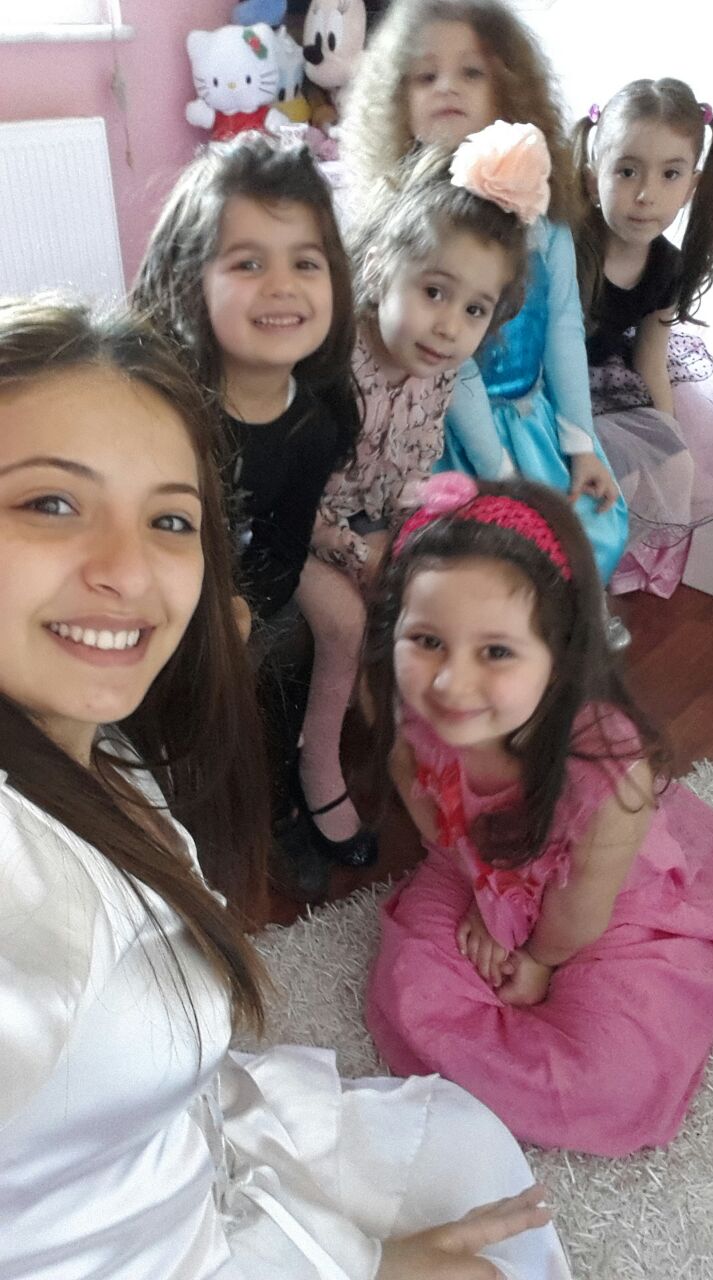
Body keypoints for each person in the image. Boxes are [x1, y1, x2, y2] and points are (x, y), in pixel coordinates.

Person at [0, 299, 572, 1280]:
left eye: (169, 520)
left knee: (469, 1152)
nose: (129, 571)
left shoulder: (101, 746)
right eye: (52, 503)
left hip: (189, 1148)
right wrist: (367, 1268)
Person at [362, 471, 713, 1157]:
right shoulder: (415, 721)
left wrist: (535, 958)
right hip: (474, 870)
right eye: (427, 641)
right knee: (409, 992)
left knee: (612, 1075)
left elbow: (582, 909)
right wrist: (486, 904)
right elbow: (441, 831)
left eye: (496, 652)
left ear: (559, 657)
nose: (451, 683)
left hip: (600, 911)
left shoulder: (607, 771)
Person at [132, 133, 369, 881]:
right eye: (248, 262)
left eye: (306, 262)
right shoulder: (163, 409)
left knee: (278, 650)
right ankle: (162, 819)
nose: (282, 286)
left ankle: (284, 785)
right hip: (152, 581)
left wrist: (241, 610)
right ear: (190, 280)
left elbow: (282, 540)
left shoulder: (318, 419)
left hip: (246, 578)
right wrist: (202, 614)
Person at [297, 123, 535, 864]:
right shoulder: (333, 361)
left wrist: (411, 534)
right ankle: (317, 765)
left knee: (439, 591)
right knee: (345, 620)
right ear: (379, 267)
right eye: (435, 292)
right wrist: (355, 549)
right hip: (290, 524)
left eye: (475, 310)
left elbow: (408, 467)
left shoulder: (437, 369)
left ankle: (424, 751)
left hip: (363, 514)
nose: (450, 327)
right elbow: (290, 490)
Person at [341, 0, 629, 609]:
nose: (447, 87)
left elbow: (563, 325)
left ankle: (557, 639)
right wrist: (500, 474)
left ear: (509, 86)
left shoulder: (544, 221)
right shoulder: (407, 228)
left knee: (591, 525)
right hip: (443, 433)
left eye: (470, 72)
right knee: (492, 548)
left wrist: (580, 442)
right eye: (426, 75)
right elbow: (451, 364)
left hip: (529, 417)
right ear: (397, 99)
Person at [573, 78, 713, 597]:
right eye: (627, 170)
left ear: (692, 185)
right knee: (600, 472)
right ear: (594, 175)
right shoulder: (572, 247)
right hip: (555, 382)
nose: (645, 194)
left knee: (664, 463)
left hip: (614, 379)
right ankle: (566, 582)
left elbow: (651, 358)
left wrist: (668, 433)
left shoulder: (667, 267)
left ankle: (597, 585)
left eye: (670, 174)